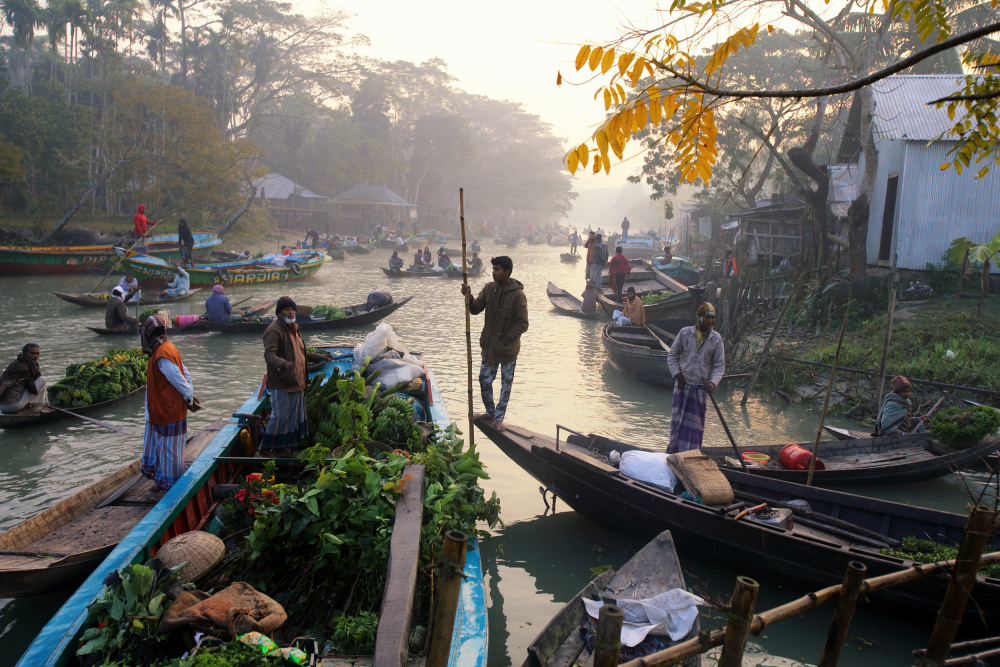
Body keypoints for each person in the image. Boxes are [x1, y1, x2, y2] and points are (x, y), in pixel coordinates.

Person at [461, 256, 529, 431]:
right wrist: (469, 296)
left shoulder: (518, 295)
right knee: (484, 380)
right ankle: (490, 412)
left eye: (497, 269)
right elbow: (475, 309)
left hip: (508, 349)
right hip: (490, 347)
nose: (494, 272)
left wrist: (506, 339)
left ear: (507, 272)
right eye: (493, 269)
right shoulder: (489, 288)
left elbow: (523, 324)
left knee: (505, 385)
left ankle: (499, 417)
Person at [261, 297, 333, 454]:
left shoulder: (293, 328)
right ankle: (266, 448)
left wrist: (319, 356)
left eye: (292, 309)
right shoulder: (274, 330)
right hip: (282, 381)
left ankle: (282, 448)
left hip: (296, 380)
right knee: (280, 416)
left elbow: (301, 352)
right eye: (287, 309)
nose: (290, 312)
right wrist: (283, 364)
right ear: (279, 312)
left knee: (291, 417)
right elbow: (269, 354)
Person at [141, 314, 202, 490]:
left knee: (168, 452)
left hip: (168, 410)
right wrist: (189, 394)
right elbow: (185, 373)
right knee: (163, 449)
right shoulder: (167, 348)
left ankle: (170, 485)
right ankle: (162, 480)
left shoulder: (162, 354)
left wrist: (189, 398)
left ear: (150, 335)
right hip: (161, 409)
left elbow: (178, 379)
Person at [666, 303, 725, 453]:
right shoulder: (685, 333)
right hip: (682, 386)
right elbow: (672, 356)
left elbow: (719, 365)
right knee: (677, 423)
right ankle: (673, 453)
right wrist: (677, 375)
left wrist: (713, 382)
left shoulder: (716, 339)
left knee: (695, 428)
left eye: (712, 318)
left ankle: (691, 454)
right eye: (707, 317)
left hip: (700, 389)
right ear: (699, 318)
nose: (710, 321)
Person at [0, 344, 46, 414]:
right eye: (32, 353)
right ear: (24, 354)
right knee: (41, 380)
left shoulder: (17, 363)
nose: (35, 356)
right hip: (13, 406)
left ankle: (28, 406)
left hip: (2, 406)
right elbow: (6, 383)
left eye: (37, 354)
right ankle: (37, 409)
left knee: (29, 383)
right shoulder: (22, 368)